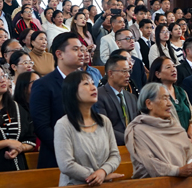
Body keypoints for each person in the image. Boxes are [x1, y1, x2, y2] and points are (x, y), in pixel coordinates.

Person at [54, 71, 123, 186]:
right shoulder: (64, 125)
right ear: (72, 91)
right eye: (86, 84)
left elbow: (115, 155)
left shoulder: (104, 121)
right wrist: (97, 176)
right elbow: (66, 164)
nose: (93, 87)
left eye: (93, 83)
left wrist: (103, 171)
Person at [31, 33, 86, 169]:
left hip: (87, 155)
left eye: (82, 49)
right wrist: (67, 150)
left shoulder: (86, 83)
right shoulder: (43, 85)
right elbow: (42, 127)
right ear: (59, 54)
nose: (81, 54)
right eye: (75, 49)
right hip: (57, 159)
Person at [125, 82, 192, 178]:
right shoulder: (138, 130)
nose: (170, 104)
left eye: (169, 98)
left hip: (184, 181)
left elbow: (191, 152)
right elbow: (149, 163)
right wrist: (178, 171)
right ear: (149, 104)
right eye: (165, 99)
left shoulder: (175, 126)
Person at [95, 55, 140, 145]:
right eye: (124, 71)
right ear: (110, 73)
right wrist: (129, 139)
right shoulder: (99, 96)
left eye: (129, 71)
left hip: (134, 145)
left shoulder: (131, 97)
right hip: (113, 145)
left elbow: (137, 123)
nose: (128, 75)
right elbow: (104, 128)